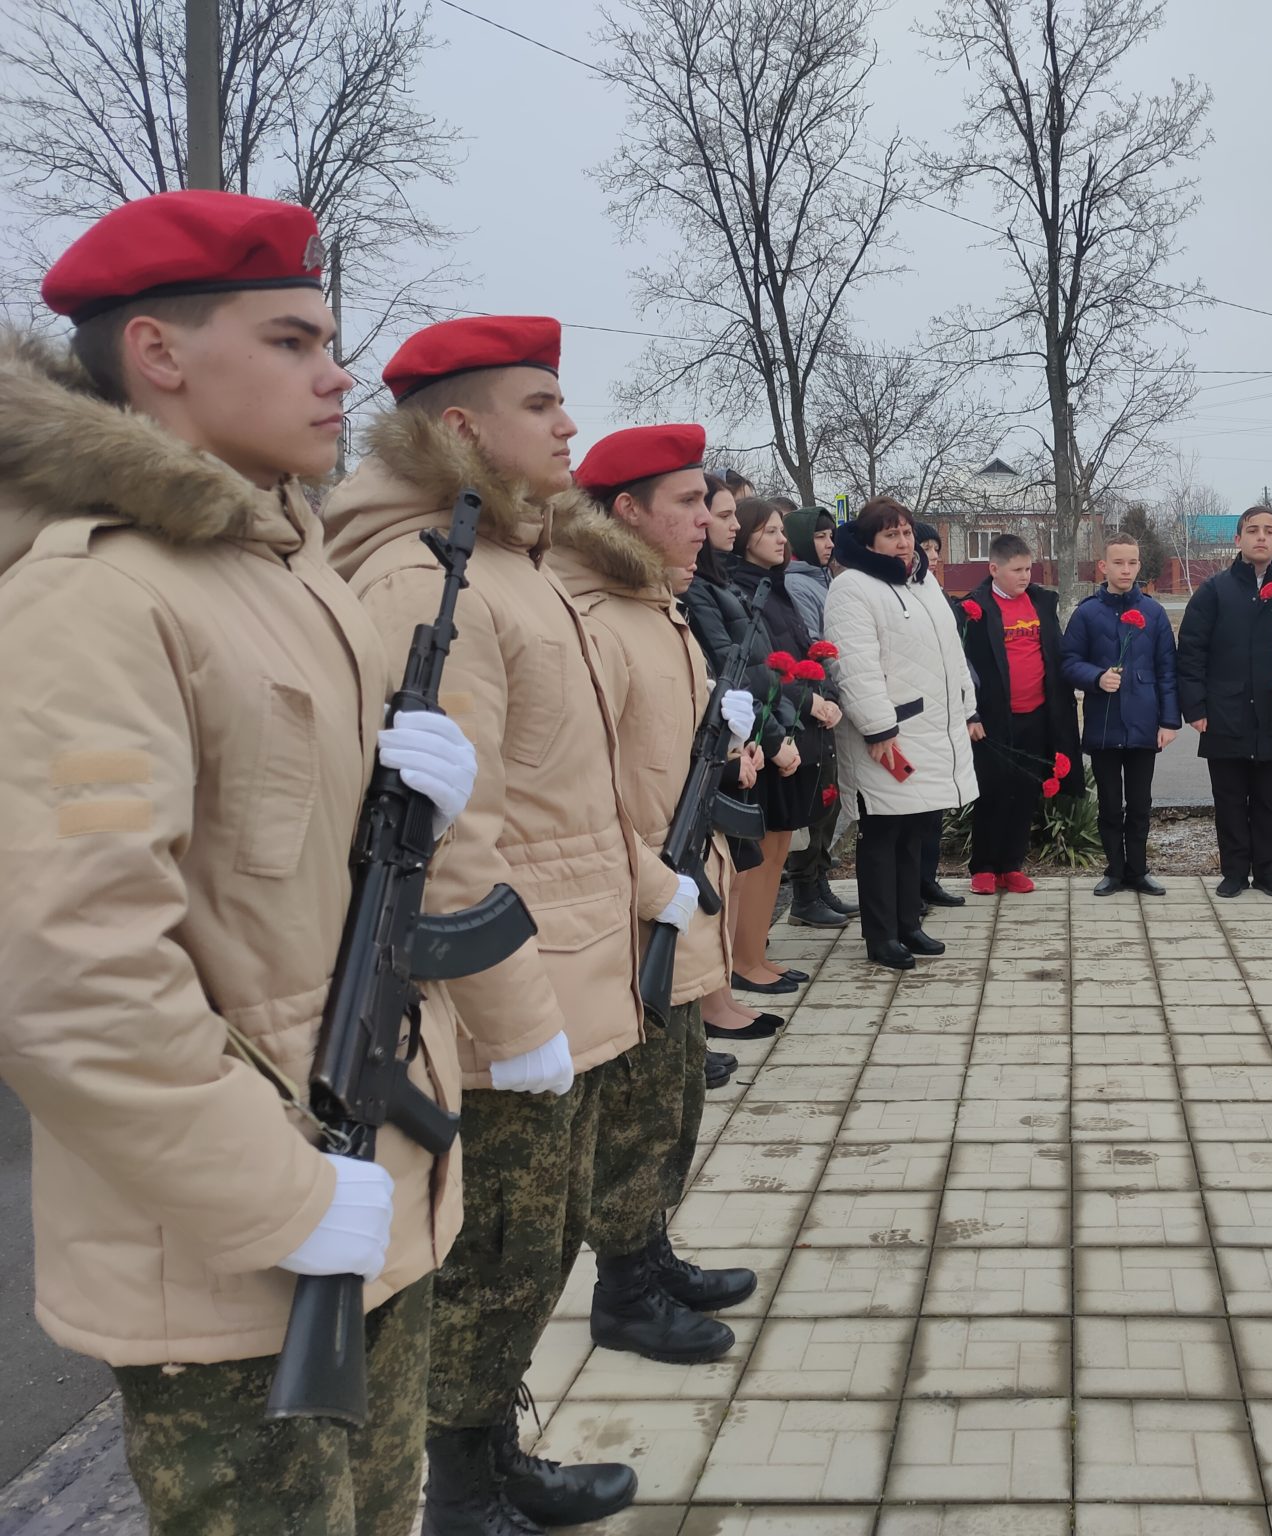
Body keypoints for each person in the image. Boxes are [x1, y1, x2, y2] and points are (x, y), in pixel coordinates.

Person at [0, 191, 475, 1536]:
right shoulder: (95, 596)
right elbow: (66, 983)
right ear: (159, 354)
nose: (338, 374)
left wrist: (415, 782)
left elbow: (300, 883)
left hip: (365, 1184)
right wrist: (286, 1198)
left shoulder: (283, 566)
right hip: (239, 1247)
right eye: (290, 339)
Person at [326, 315, 644, 1531]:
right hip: (507, 981)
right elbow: (448, 832)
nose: (570, 425)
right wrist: (515, 1022)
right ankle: (464, 1492)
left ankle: (484, 1456)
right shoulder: (428, 572)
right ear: (459, 426)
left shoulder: (501, 552)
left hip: (565, 948)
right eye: (541, 402)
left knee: (529, 1244)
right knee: (495, 1257)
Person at [553, 426, 764, 1376]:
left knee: (674, 1103)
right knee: (637, 1116)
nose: (705, 520)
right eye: (685, 502)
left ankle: (649, 1256)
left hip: (677, 893)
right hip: (636, 903)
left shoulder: (658, 607)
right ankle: (625, 1295)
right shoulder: (595, 615)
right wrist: (656, 882)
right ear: (628, 511)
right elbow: (579, 789)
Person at [826, 498, 979, 968]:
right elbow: (853, 665)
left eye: (907, 532)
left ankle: (909, 923)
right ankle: (882, 936)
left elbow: (951, 651)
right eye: (891, 534)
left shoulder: (923, 581)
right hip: (889, 734)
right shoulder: (852, 587)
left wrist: (967, 705)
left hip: (933, 727)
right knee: (883, 834)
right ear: (869, 541)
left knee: (915, 830)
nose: (903, 542)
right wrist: (877, 726)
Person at [682, 474, 806, 1011]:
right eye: (724, 514)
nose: (729, 525)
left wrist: (781, 724)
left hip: (759, 733)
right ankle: (734, 970)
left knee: (761, 855)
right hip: (738, 741)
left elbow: (764, 666)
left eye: (735, 515)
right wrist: (768, 735)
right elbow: (728, 665)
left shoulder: (729, 586)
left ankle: (746, 959)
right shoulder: (702, 589)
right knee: (732, 867)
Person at [727, 497, 842, 976]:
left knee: (776, 851)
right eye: (770, 531)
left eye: (781, 531)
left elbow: (799, 652)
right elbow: (756, 666)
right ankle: (744, 959)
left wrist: (824, 693)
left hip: (794, 731)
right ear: (745, 538)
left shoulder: (775, 588)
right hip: (768, 735)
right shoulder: (739, 590)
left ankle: (757, 953)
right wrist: (803, 702)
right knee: (760, 855)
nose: (780, 539)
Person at [1178, 506, 1272, 898]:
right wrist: (1196, 708)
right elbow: (1190, 651)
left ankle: (1269, 871)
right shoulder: (1215, 591)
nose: (1261, 537)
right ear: (1237, 540)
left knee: (1271, 798)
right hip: (1225, 713)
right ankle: (1235, 871)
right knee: (1230, 798)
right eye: (1252, 530)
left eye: (1269, 531)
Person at [961, 534, 1084, 893]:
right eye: (1017, 570)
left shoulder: (1042, 604)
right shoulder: (975, 609)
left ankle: (1011, 864)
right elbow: (962, 667)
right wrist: (971, 715)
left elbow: (1055, 655)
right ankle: (983, 867)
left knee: (1025, 792)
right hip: (994, 721)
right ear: (994, 569)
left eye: (1028, 568)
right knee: (992, 791)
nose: (1025, 576)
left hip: (1038, 715)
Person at [1062, 529, 1181, 896]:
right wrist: (1096, 678)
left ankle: (1138, 871)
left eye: (1132, 562)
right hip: (1104, 723)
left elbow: (1167, 670)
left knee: (1141, 804)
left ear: (1139, 565)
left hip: (1145, 725)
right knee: (1111, 804)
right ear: (1103, 565)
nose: (1126, 569)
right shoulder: (1088, 614)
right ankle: (1114, 870)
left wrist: (1169, 720)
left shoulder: (1154, 612)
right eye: (1118, 562)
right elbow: (1068, 662)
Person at [779, 505, 856, 927]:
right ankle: (805, 895)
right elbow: (813, 646)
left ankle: (820, 884)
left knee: (828, 802)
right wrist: (825, 694)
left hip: (828, 704)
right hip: (811, 708)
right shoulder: (797, 584)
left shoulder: (824, 580)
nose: (829, 544)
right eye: (821, 537)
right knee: (814, 802)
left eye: (831, 537)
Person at [914, 520, 966, 911]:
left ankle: (927, 881)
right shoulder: (906, 593)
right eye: (926, 548)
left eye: (937, 549)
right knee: (912, 815)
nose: (933, 557)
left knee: (933, 811)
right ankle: (911, 889)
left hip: (942, 717)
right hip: (915, 719)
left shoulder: (938, 594)